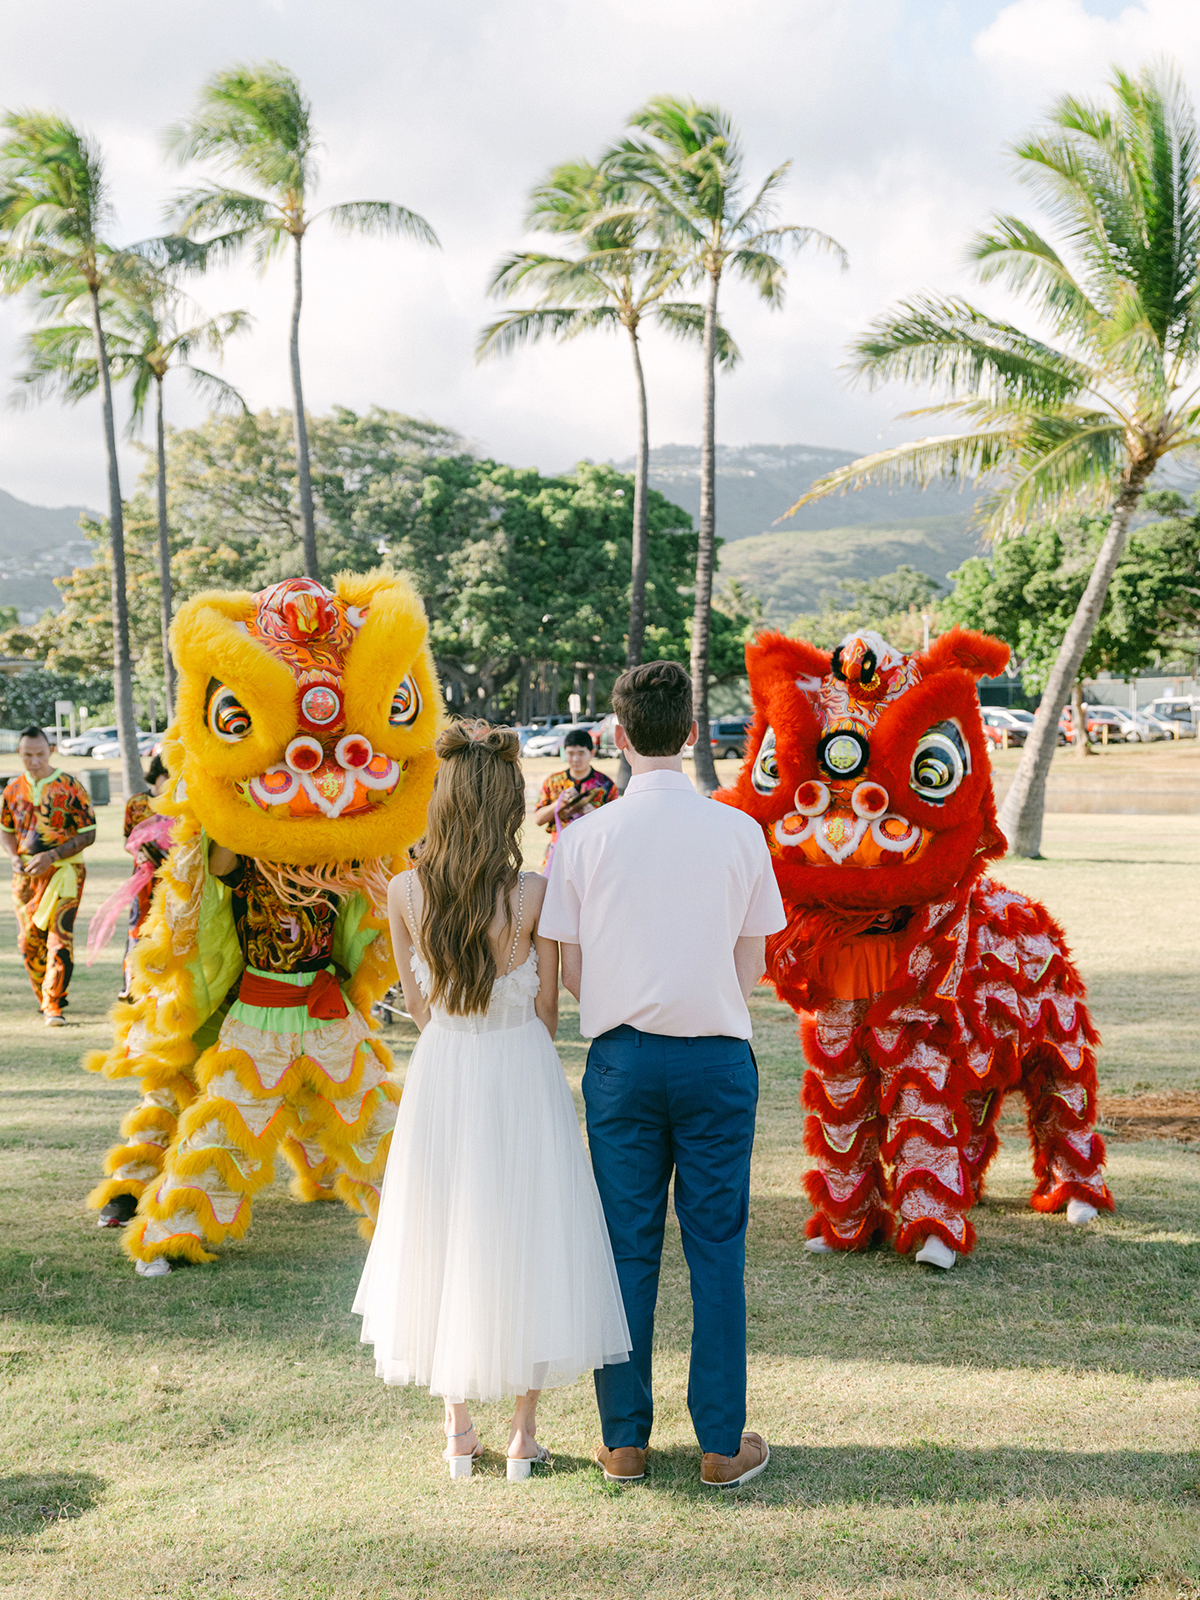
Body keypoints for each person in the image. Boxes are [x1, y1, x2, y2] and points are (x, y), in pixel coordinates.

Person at [353, 721, 630, 1482]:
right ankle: (523, 1434)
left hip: (445, 1072)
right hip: (521, 1069)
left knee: (444, 1232)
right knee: (528, 1230)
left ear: (442, 805)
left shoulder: (407, 892)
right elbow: (547, 1010)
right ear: (510, 806)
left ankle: (457, 1432)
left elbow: (416, 1009)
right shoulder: (533, 894)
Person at [540, 661, 787, 1490]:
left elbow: (569, 968)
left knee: (625, 1250)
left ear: (616, 737)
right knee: (717, 1248)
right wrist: (701, 996)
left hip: (621, 1061)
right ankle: (721, 1442)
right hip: (716, 1056)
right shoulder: (739, 830)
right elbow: (752, 958)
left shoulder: (582, 838)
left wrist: (626, 1000)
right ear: (689, 733)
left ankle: (624, 1442)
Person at [0, 726, 96, 1025]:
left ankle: (53, 1003)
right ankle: (45, 993)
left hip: (65, 873)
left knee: (59, 936)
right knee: (29, 942)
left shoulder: (71, 787)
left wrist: (52, 856)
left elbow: (89, 833)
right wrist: (14, 856)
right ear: (19, 754)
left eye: (40, 754)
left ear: (50, 751)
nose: (34, 761)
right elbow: (6, 830)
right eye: (28, 755)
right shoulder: (12, 788)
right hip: (26, 876)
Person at [116, 754, 172, 1001]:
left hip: (172, 879)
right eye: (166, 776)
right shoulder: (137, 803)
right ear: (156, 774)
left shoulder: (181, 804)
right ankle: (132, 984)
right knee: (137, 928)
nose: (170, 782)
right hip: (142, 879)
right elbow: (129, 839)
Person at [530, 729, 617, 870]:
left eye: (581, 753)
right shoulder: (553, 782)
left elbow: (614, 826)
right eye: (570, 754)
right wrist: (558, 804)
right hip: (559, 850)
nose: (575, 759)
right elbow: (538, 819)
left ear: (592, 753)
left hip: (592, 853)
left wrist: (592, 813)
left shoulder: (605, 785)